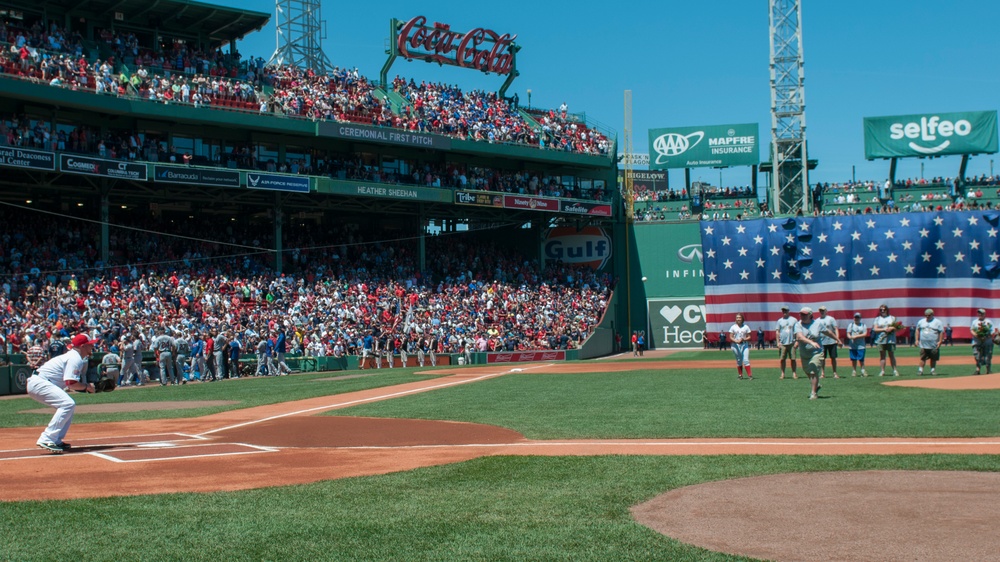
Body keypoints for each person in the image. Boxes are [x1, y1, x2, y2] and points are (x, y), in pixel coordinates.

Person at [27, 333, 99, 453]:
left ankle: (56, 439)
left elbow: (70, 384)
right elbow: (71, 383)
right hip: (40, 382)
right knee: (67, 404)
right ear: (83, 346)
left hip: (40, 382)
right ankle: (47, 438)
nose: (92, 347)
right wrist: (87, 387)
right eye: (90, 345)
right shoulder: (75, 358)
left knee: (68, 405)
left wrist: (86, 388)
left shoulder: (74, 356)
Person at [795, 308, 828, 400]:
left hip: (817, 352)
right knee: (808, 371)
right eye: (801, 314)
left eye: (804, 314)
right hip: (804, 353)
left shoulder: (817, 324)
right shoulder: (798, 325)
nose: (802, 316)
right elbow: (800, 337)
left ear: (810, 315)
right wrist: (811, 342)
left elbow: (827, 332)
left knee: (813, 370)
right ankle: (816, 385)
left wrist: (837, 339)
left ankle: (813, 393)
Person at [872, 304, 900, 376]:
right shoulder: (877, 319)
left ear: (887, 310)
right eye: (881, 310)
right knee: (882, 355)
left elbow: (897, 328)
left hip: (890, 339)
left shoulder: (892, 318)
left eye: (884, 310)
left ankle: (894, 370)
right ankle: (882, 371)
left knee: (891, 355)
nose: (882, 311)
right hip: (881, 339)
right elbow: (875, 329)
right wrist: (884, 329)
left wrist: (891, 328)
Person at [916, 309, 945, 376]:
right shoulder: (921, 321)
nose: (927, 317)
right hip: (923, 344)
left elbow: (941, 332)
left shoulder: (937, 322)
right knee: (922, 358)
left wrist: (940, 341)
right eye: (926, 315)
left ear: (932, 314)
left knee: (933, 358)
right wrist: (917, 340)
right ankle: (920, 370)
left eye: (929, 315)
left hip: (933, 344)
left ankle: (932, 370)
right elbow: (917, 330)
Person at [816, 306, 842, 378]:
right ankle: (823, 373)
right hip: (822, 342)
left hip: (831, 341)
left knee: (833, 357)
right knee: (822, 358)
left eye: (823, 310)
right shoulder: (817, 320)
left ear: (826, 311)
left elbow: (835, 329)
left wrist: (837, 339)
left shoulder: (831, 319)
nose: (822, 312)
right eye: (820, 310)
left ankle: (835, 373)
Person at [970, 308, 996, 375]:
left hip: (987, 341)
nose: (980, 314)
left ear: (984, 314)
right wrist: (977, 335)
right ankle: (978, 370)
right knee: (977, 356)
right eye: (979, 313)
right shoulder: (974, 322)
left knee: (988, 356)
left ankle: (988, 370)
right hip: (977, 341)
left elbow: (992, 331)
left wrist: (986, 337)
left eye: (981, 313)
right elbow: (972, 330)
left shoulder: (989, 322)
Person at [775, 306, 799, 379]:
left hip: (792, 342)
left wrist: (797, 341)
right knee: (782, 359)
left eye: (785, 311)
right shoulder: (780, 321)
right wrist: (778, 342)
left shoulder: (794, 320)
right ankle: (782, 373)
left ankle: (794, 373)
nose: (784, 312)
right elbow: (777, 331)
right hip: (783, 343)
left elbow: (797, 331)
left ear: (788, 311)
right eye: (783, 311)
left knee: (793, 359)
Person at [729, 313, 753, 380]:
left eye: (739, 317)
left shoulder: (746, 327)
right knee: (739, 360)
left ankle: (750, 375)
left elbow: (749, 336)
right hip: (735, 345)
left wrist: (744, 339)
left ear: (742, 318)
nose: (738, 319)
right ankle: (740, 375)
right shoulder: (733, 327)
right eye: (737, 318)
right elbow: (730, 336)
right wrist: (735, 340)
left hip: (744, 344)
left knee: (746, 360)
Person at [846, 313, 869, 377]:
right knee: (853, 359)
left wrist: (856, 336)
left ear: (860, 318)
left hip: (861, 345)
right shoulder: (851, 325)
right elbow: (848, 333)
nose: (856, 319)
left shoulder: (863, 325)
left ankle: (863, 370)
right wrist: (850, 337)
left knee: (861, 358)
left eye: (858, 317)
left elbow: (865, 334)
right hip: (853, 345)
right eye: (855, 317)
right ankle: (854, 371)